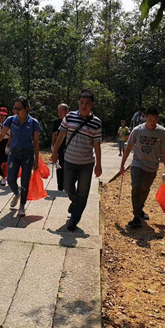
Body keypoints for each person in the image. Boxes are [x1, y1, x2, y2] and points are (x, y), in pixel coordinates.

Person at [51, 89, 102, 231]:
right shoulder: (70, 117)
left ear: (92, 104)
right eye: (81, 102)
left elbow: (97, 144)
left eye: (87, 103)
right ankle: (75, 202)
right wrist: (54, 153)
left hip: (86, 163)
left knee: (83, 192)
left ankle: (74, 219)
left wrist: (99, 164)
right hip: (69, 160)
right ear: (78, 103)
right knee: (67, 186)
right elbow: (61, 135)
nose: (84, 105)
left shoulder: (96, 122)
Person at [0, 97, 40, 218]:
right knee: (10, 179)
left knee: (25, 181)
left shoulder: (33, 122)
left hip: (27, 154)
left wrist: (36, 159)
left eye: (18, 108)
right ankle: (17, 193)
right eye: (14, 108)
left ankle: (22, 206)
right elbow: (1, 135)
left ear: (26, 109)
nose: (15, 111)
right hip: (14, 153)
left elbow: (36, 142)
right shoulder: (11, 120)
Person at [120, 106, 165, 228]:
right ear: (145, 118)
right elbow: (128, 148)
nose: (152, 122)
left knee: (145, 189)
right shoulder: (137, 130)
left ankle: (139, 210)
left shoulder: (162, 132)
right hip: (137, 163)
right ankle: (137, 216)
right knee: (136, 187)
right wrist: (122, 165)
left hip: (152, 166)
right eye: (150, 119)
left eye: (155, 120)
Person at [51, 103, 69, 190]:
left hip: (69, 148)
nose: (59, 114)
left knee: (68, 167)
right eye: (58, 112)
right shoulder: (57, 122)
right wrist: (52, 145)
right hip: (59, 147)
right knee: (59, 166)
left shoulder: (71, 122)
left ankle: (68, 185)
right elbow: (54, 134)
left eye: (61, 112)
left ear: (67, 112)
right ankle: (60, 186)